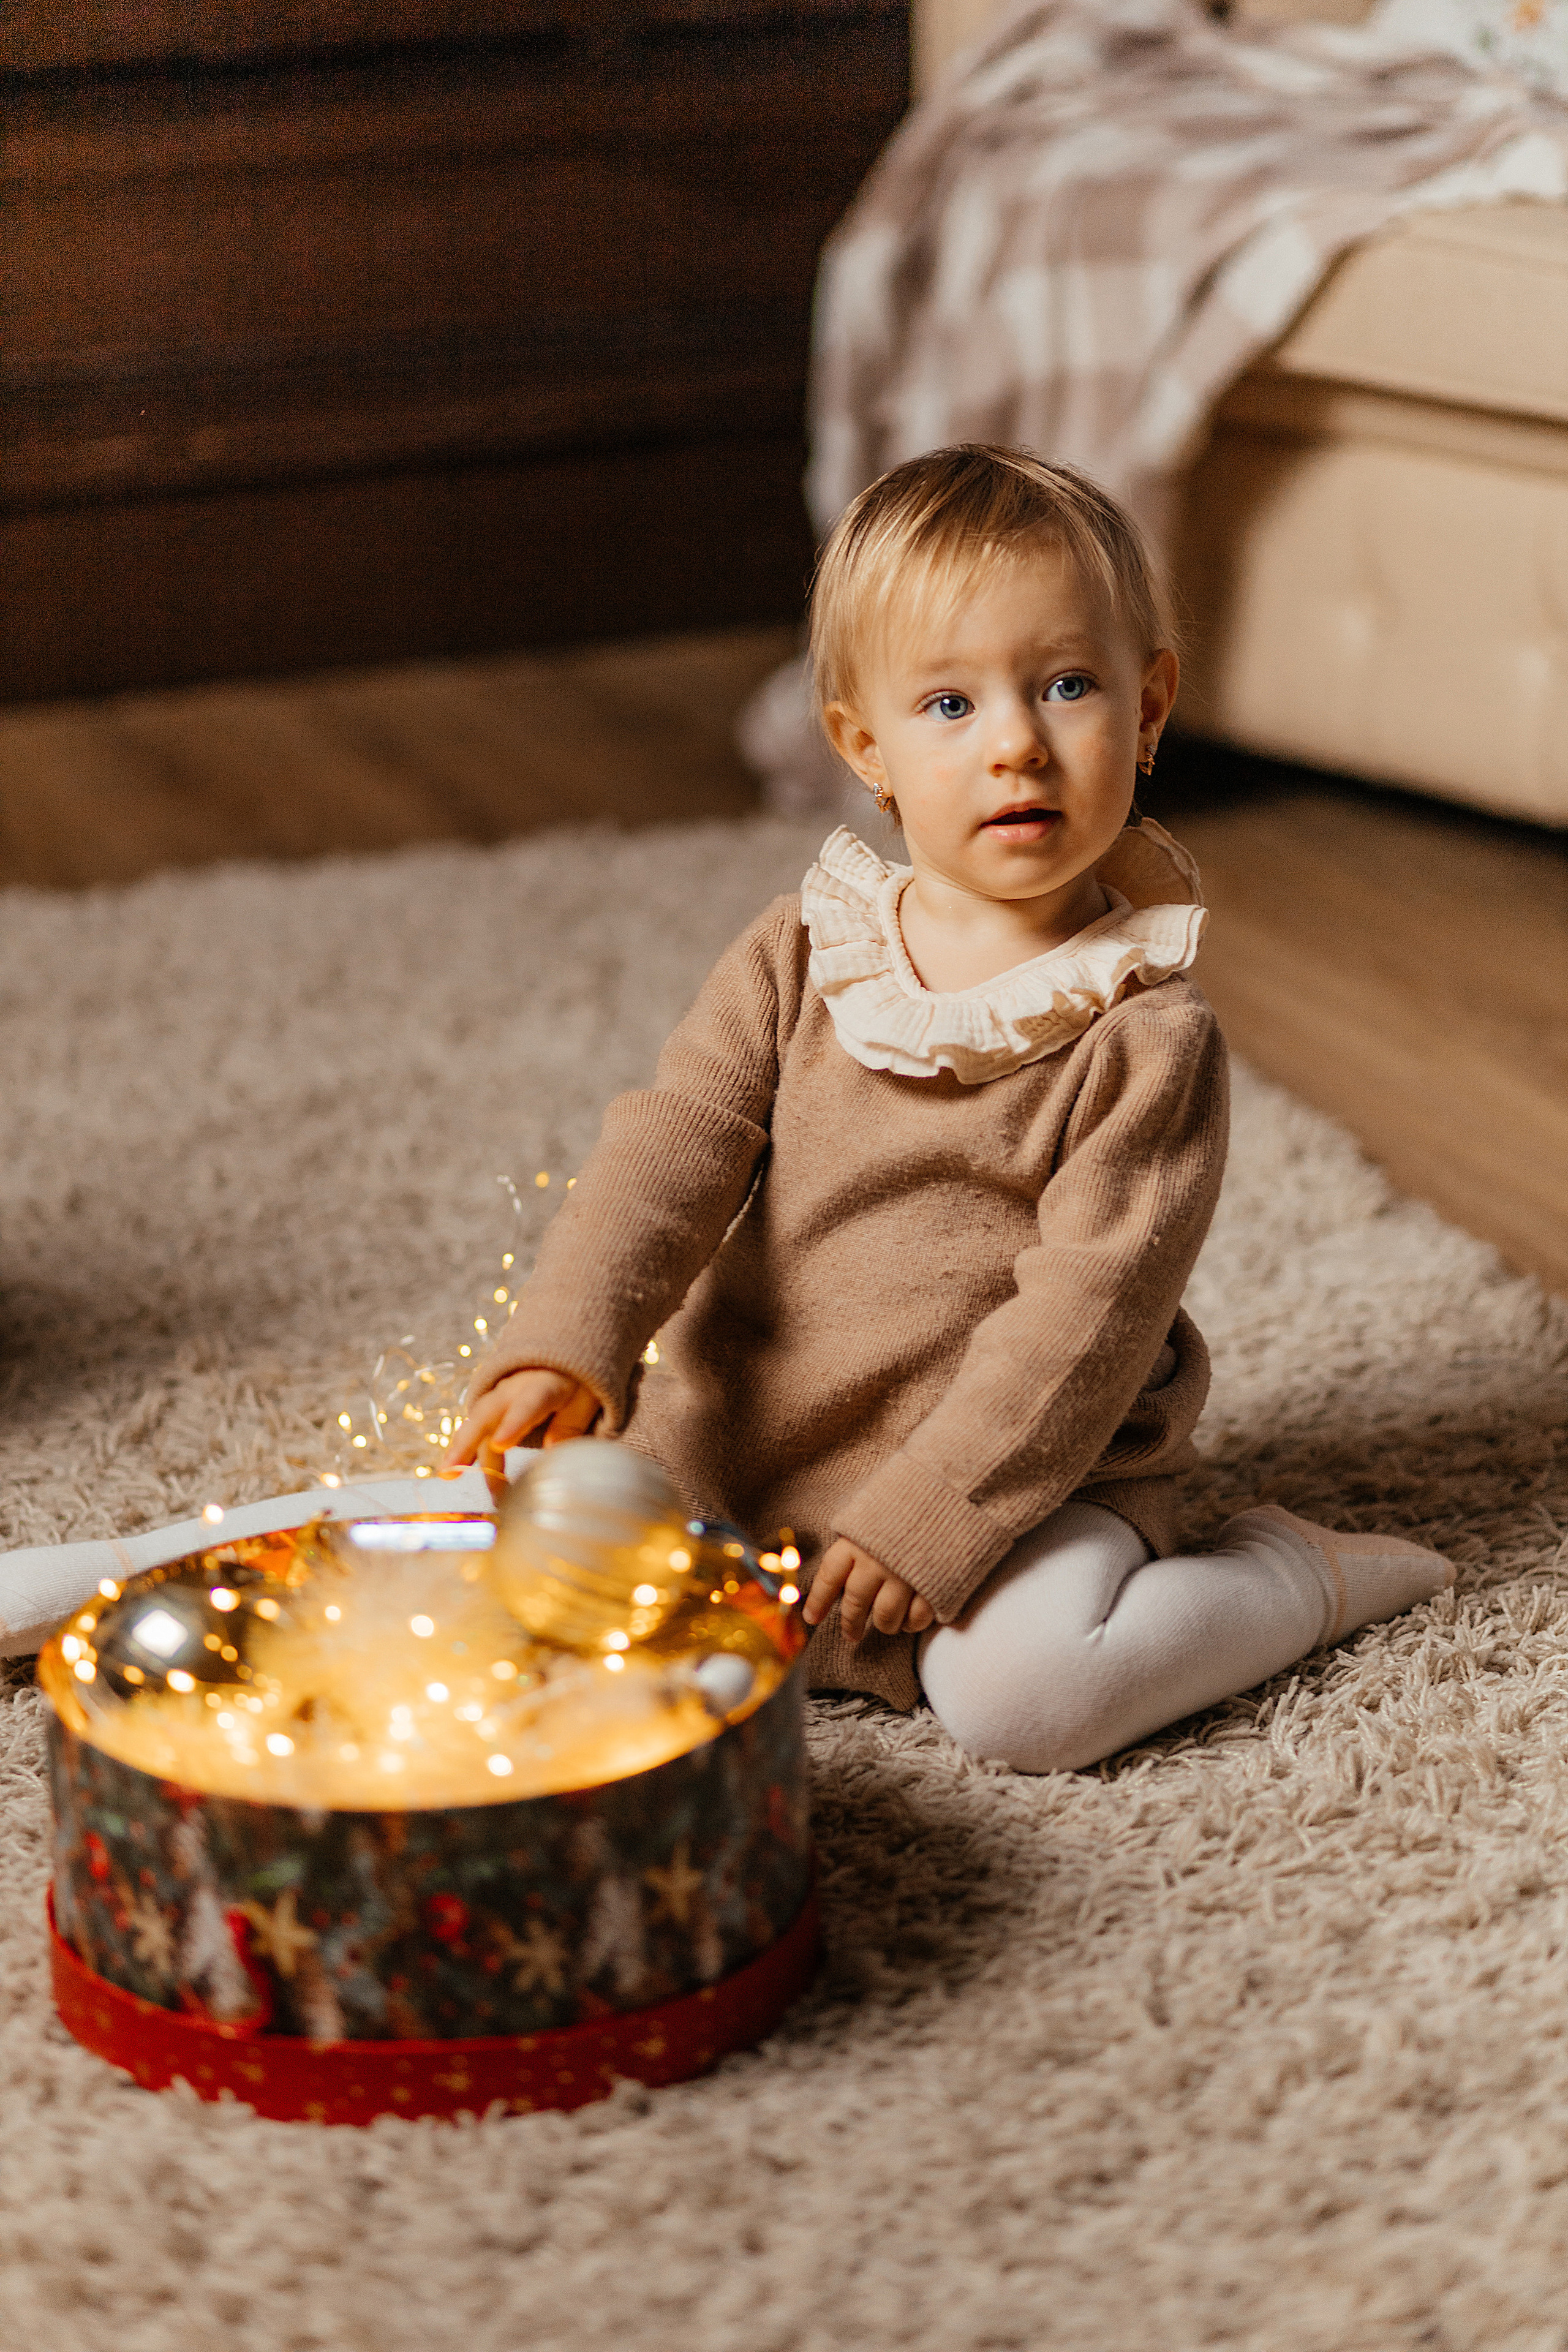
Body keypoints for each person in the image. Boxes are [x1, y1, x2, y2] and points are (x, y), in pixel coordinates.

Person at [445, 445, 1452, 1772]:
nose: (1016, 743)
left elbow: (1087, 1320)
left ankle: (1284, 1578)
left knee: (1030, 1700)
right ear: (864, 746)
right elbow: (665, 1157)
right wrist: (566, 1344)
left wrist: (937, 1512)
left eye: (1068, 686)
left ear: (1149, 708)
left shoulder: (1143, 1036)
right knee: (517, 1561)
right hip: (749, 1434)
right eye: (948, 705)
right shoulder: (803, 953)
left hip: (1022, 1472)